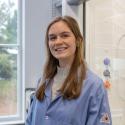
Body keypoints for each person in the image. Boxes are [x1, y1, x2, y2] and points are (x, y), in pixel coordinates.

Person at [26, 16, 112, 125]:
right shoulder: (42, 82)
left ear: (78, 41)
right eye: (52, 38)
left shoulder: (94, 86)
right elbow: (29, 121)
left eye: (65, 35)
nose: (58, 42)